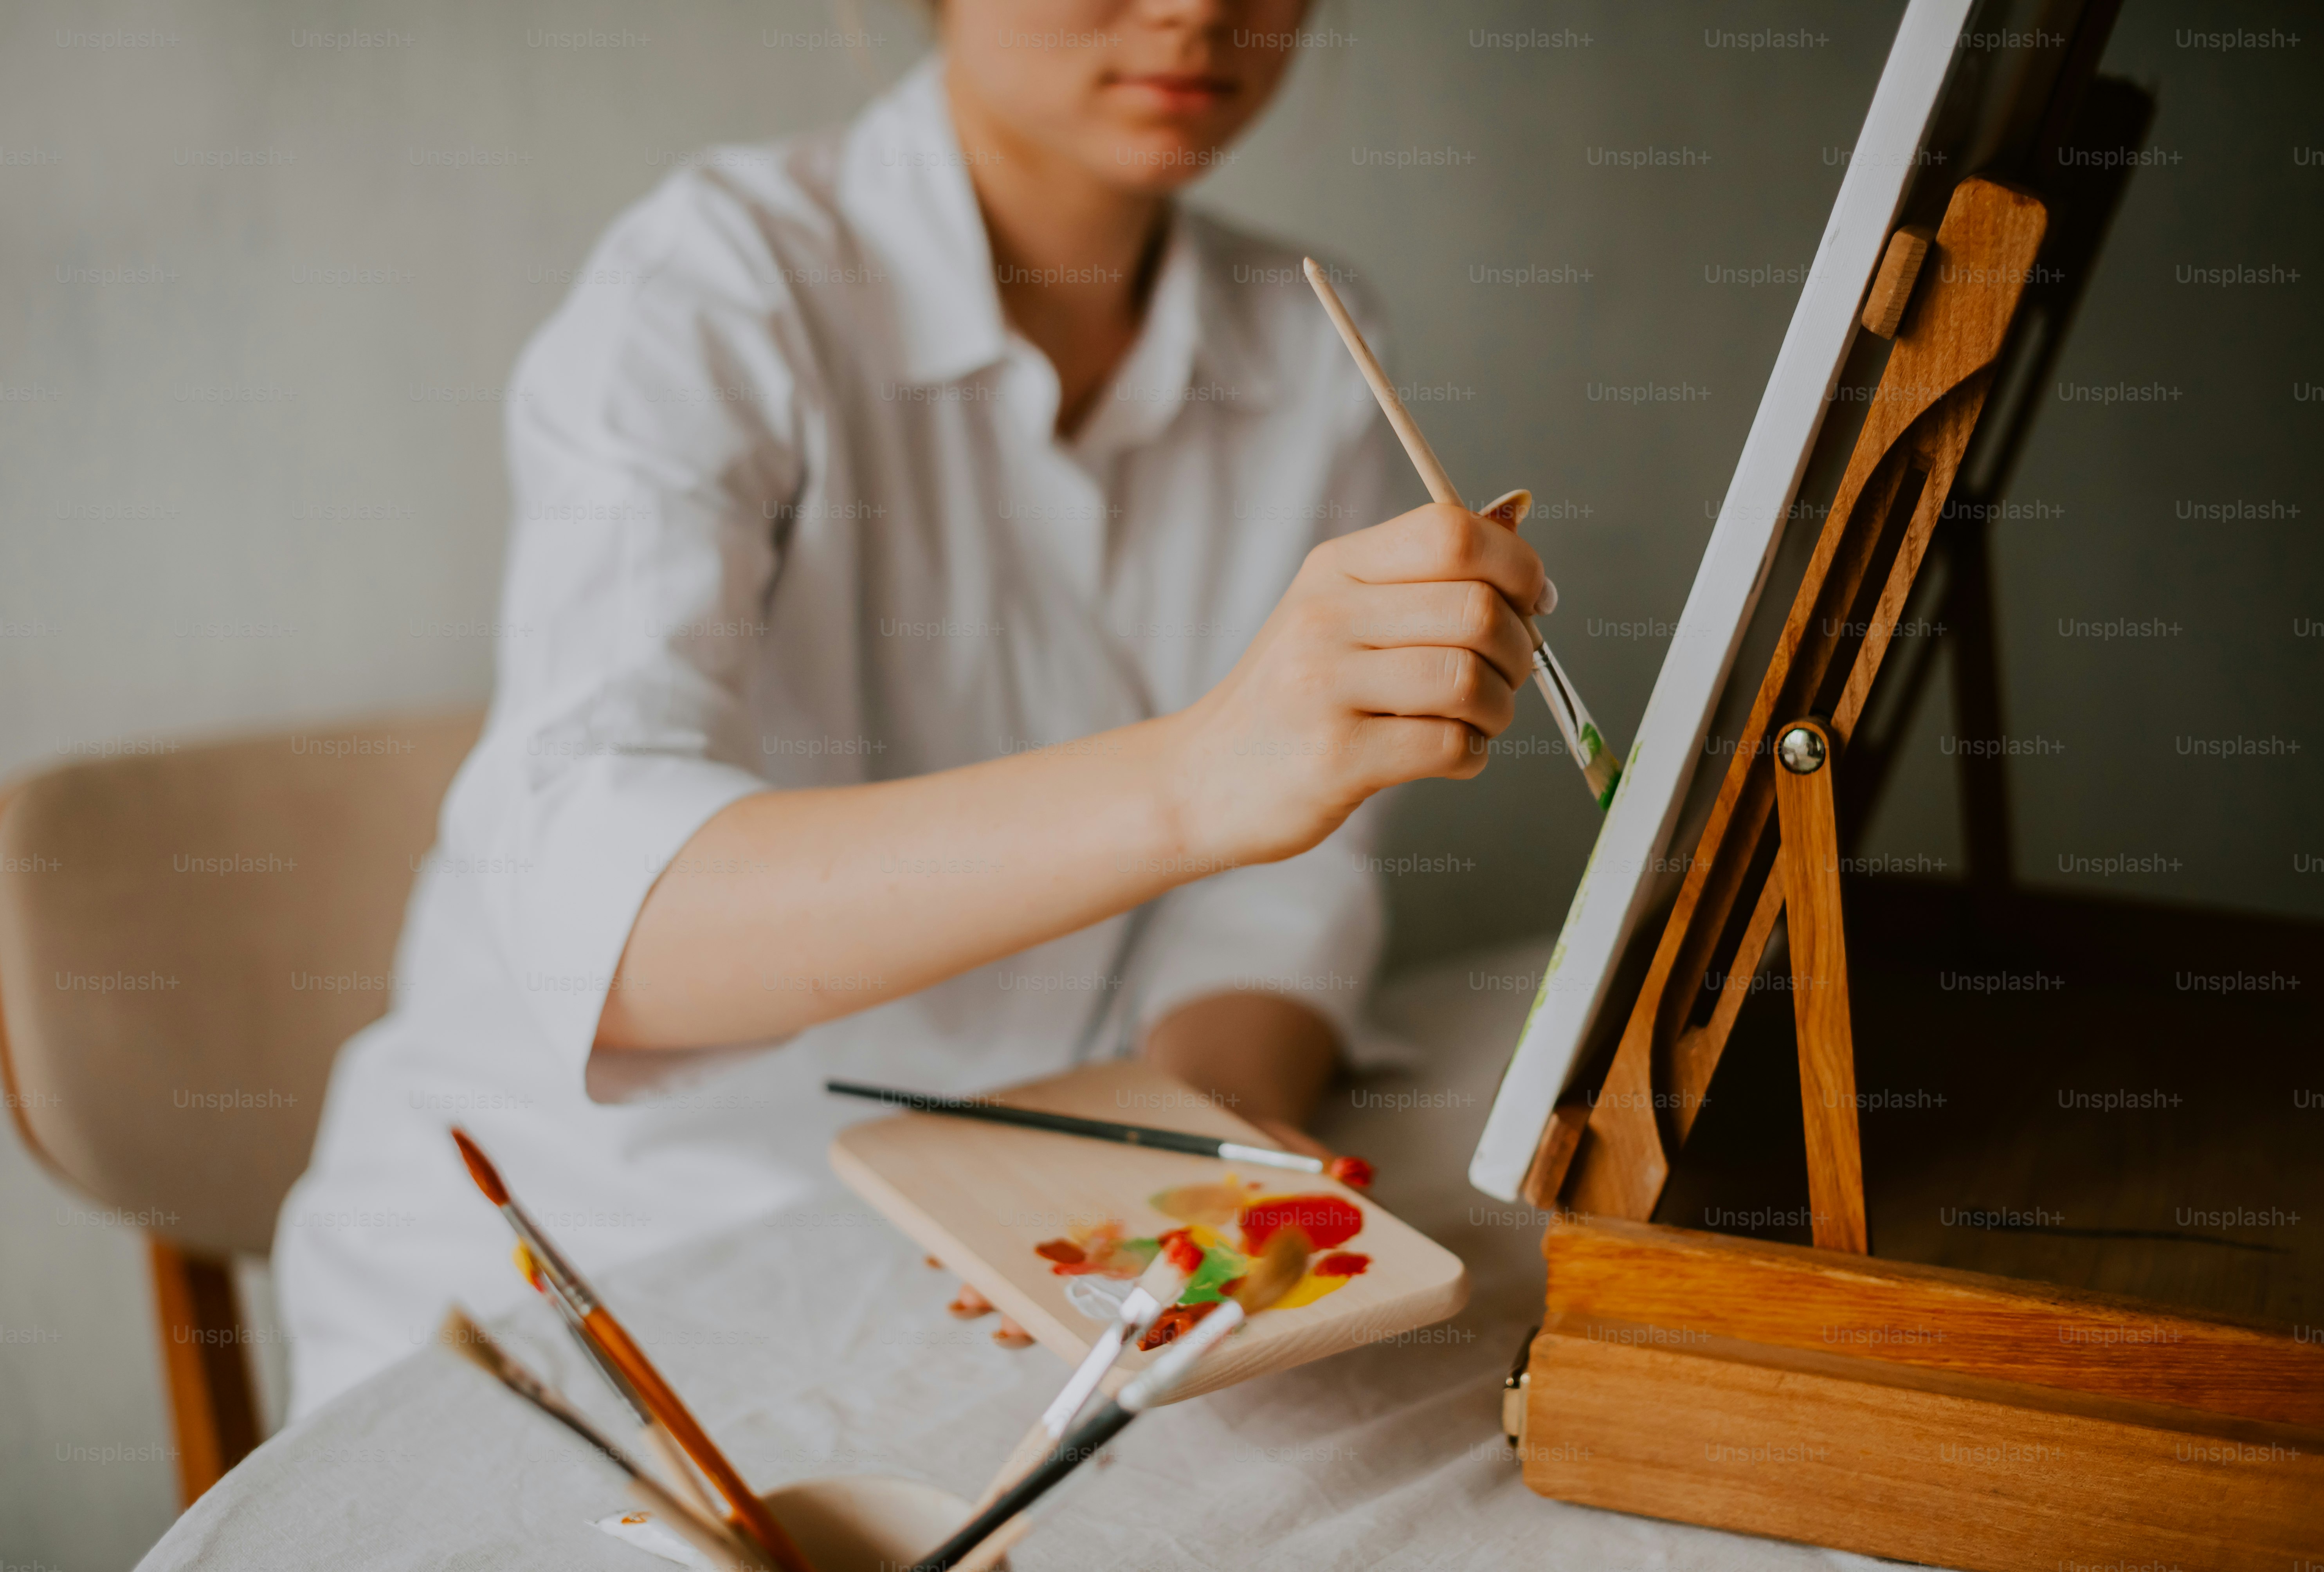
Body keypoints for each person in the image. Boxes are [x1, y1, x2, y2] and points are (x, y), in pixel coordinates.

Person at [275, 0, 1549, 1417]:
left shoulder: (1310, 339)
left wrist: (1209, 1149)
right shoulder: (714, 287)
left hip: (1015, 1242)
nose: (1198, 8)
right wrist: (1197, 779)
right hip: (596, 1262)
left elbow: (1276, 893)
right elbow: (610, 930)